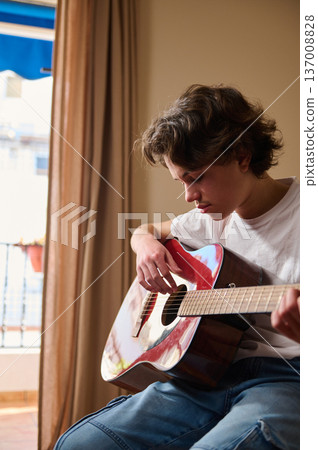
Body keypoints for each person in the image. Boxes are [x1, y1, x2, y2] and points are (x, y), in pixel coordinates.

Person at [55, 84, 300, 449]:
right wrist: (145, 245)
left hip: (288, 380)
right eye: (181, 180)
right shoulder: (211, 219)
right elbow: (146, 229)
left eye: (196, 177)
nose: (189, 196)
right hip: (207, 377)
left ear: (243, 156)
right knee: (80, 444)